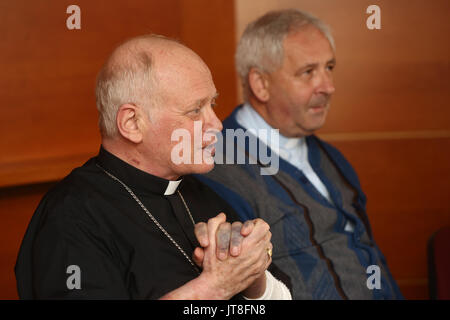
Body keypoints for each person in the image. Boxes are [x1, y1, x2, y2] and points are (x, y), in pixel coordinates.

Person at [14, 35, 291, 300]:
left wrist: (252, 272)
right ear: (133, 124)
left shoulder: (198, 190)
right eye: (195, 111)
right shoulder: (71, 217)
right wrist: (213, 288)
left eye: (212, 104)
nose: (217, 124)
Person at [196, 9, 403, 299]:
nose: (328, 86)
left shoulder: (331, 157)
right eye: (308, 72)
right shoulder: (217, 165)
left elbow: (366, 252)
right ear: (260, 84)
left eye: (329, 67)